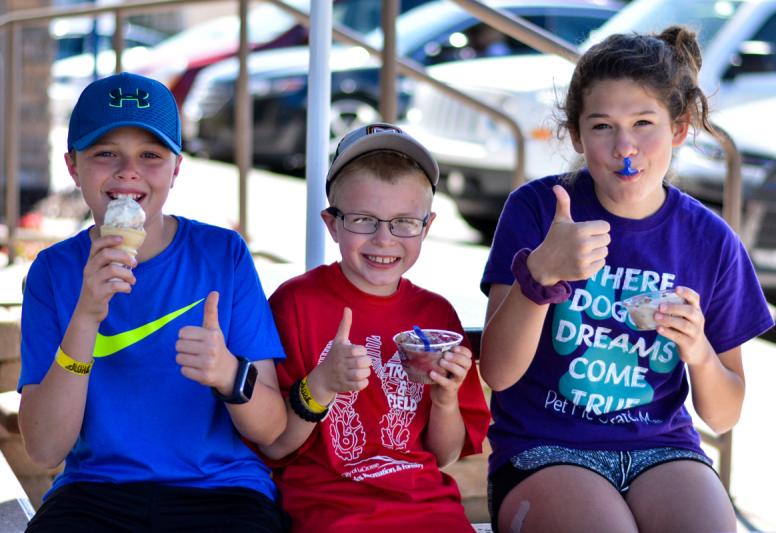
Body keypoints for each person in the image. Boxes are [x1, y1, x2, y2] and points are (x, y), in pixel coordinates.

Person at [479, 26, 775, 533]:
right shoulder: (538, 210)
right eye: (601, 126)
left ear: (679, 129)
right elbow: (498, 373)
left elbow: (724, 415)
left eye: (643, 122)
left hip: (660, 449)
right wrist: (541, 274)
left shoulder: (710, 240)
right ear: (575, 134)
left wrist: (699, 351)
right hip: (545, 448)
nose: (624, 146)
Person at [17, 72, 289, 532]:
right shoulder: (54, 271)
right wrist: (86, 315)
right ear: (72, 166)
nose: (129, 172)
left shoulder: (223, 255)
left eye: (151, 155)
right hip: (97, 491)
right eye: (106, 154)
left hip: (221, 489)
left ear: (176, 168)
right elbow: (44, 449)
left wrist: (227, 373)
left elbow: (270, 429)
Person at [258, 123, 491, 532]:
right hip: (329, 507)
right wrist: (322, 384)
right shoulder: (294, 305)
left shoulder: (437, 317)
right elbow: (274, 446)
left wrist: (446, 398)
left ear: (428, 226)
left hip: (430, 508)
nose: (384, 239)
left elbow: (444, 455)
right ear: (332, 225)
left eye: (403, 222)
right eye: (364, 220)